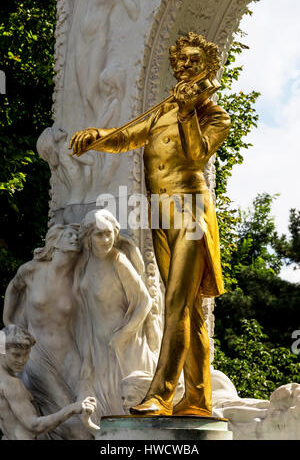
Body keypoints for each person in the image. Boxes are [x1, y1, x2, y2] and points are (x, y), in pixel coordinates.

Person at [69, 32, 231, 416]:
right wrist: (98, 137)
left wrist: (191, 109)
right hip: (161, 216)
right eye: (181, 63)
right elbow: (127, 137)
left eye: (194, 62)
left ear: (208, 68)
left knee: (176, 304)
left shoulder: (214, 115)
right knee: (187, 308)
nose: (185, 68)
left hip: (191, 214)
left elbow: (196, 154)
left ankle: (160, 394)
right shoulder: (162, 111)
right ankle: (198, 398)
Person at [3, 224, 93, 439]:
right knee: (73, 423)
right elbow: (14, 288)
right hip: (39, 355)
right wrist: (8, 322)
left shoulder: (78, 277)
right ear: (56, 242)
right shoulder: (32, 270)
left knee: (90, 407)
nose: (74, 239)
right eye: (68, 235)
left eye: (76, 236)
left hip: (70, 353)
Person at [73, 209, 159, 415]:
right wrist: (87, 356)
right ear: (88, 237)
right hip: (98, 347)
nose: (105, 240)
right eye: (99, 234)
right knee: (108, 410)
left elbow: (144, 301)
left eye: (109, 233)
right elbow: (86, 316)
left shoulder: (118, 260)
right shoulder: (83, 266)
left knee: (127, 408)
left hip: (124, 347)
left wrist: (123, 335)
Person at [0, 325, 97, 440]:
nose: (22, 360)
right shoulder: (12, 384)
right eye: (16, 355)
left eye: (26, 355)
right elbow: (35, 425)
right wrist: (72, 408)